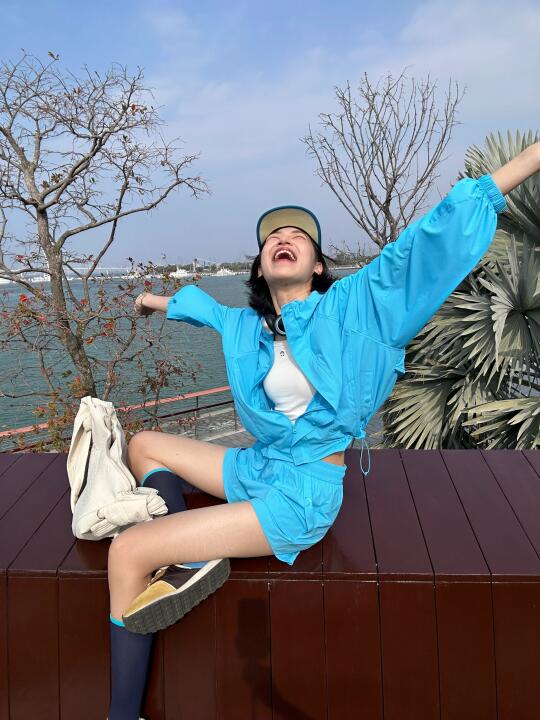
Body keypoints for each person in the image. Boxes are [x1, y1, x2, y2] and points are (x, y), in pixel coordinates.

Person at [106, 141, 540, 719]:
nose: (283, 238)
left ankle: (123, 713)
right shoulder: (248, 326)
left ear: (316, 266)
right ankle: (185, 561)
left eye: (299, 236)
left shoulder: (358, 308)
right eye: (272, 237)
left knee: (126, 552)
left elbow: (433, 237)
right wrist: (148, 301)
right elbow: (200, 308)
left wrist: (530, 158)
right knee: (143, 444)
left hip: (301, 494)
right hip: (262, 466)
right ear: (261, 266)